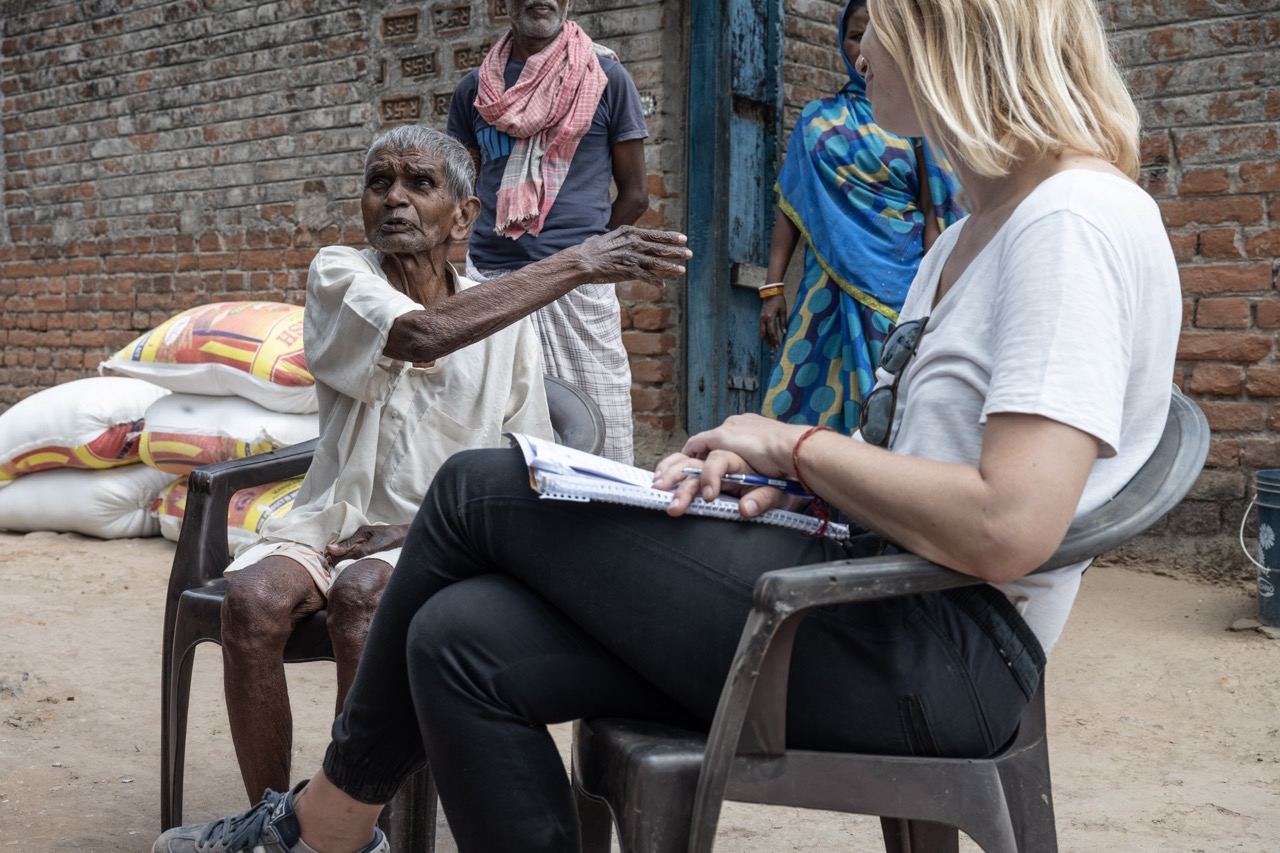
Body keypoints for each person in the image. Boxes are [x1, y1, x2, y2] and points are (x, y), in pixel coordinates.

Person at [155, 0, 1180, 851]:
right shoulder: (972, 232)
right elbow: (939, 469)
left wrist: (791, 443)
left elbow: (1008, 524)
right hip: (869, 599)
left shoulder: (1068, 222)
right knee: (455, 637)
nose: (857, 42)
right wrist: (793, 485)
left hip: (933, 654)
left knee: (473, 489)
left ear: (951, 31)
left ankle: (324, 826)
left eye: (880, 22)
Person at [218, 123, 692, 807]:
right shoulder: (340, 272)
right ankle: (270, 820)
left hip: (436, 541)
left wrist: (415, 530)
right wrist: (578, 262)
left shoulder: (510, 321)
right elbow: (419, 334)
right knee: (251, 601)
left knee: (363, 599)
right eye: (379, 182)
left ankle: (355, 823)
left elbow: (521, 461)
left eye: (419, 182)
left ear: (464, 216)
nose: (394, 198)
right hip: (332, 518)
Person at [446, 0, 650, 464]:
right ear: (501, 4)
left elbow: (636, 195)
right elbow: (457, 194)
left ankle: (600, 529)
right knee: (495, 432)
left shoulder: (605, 78)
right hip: (490, 284)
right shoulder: (475, 90)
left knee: (601, 430)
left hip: (577, 286)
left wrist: (588, 259)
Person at [759, 0, 964, 433]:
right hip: (825, 288)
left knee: (892, 402)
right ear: (842, 41)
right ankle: (801, 486)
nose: (864, 50)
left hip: (898, 287)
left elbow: (934, 213)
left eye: (879, 36)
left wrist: (931, 294)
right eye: (855, 36)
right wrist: (772, 287)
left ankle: (872, 490)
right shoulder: (818, 118)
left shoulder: (915, 118)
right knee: (802, 398)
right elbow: (792, 206)